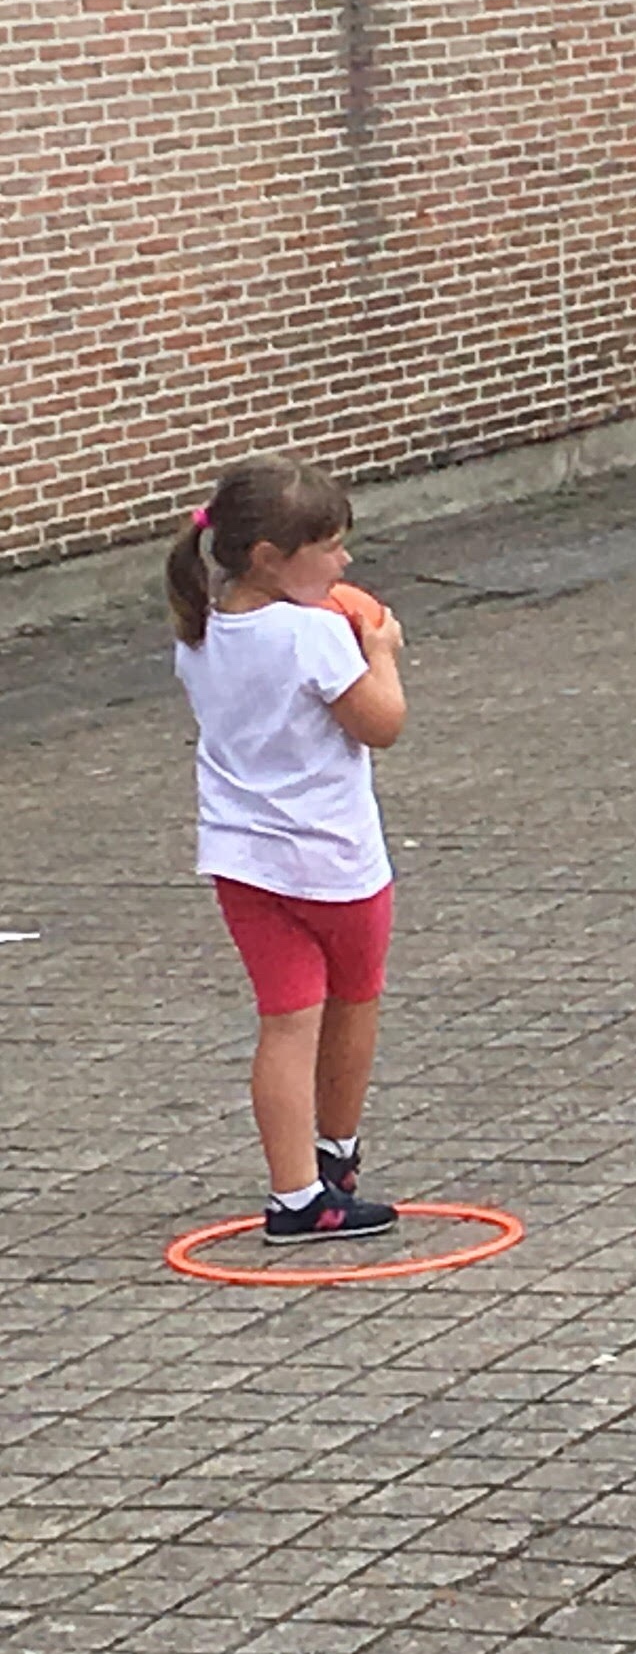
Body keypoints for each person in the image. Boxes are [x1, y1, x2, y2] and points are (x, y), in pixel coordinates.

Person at [167, 458, 411, 1239]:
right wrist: (380, 651)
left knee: (285, 1021)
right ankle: (337, 1153)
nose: (344, 562)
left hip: (242, 863)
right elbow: (381, 724)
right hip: (334, 860)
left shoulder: (201, 631)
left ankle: (297, 1194)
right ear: (271, 557)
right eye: (330, 547)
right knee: (355, 999)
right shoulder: (315, 634)